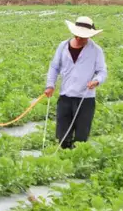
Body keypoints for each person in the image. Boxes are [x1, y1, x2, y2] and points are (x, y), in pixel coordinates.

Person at [44, 16, 107, 149]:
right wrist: (50, 85)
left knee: (81, 138)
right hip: (65, 97)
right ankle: (63, 160)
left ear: (89, 36)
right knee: (63, 136)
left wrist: (96, 81)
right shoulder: (62, 46)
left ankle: (76, 162)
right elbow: (54, 67)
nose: (79, 39)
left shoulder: (96, 50)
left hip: (85, 99)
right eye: (77, 36)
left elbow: (102, 72)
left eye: (83, 37)